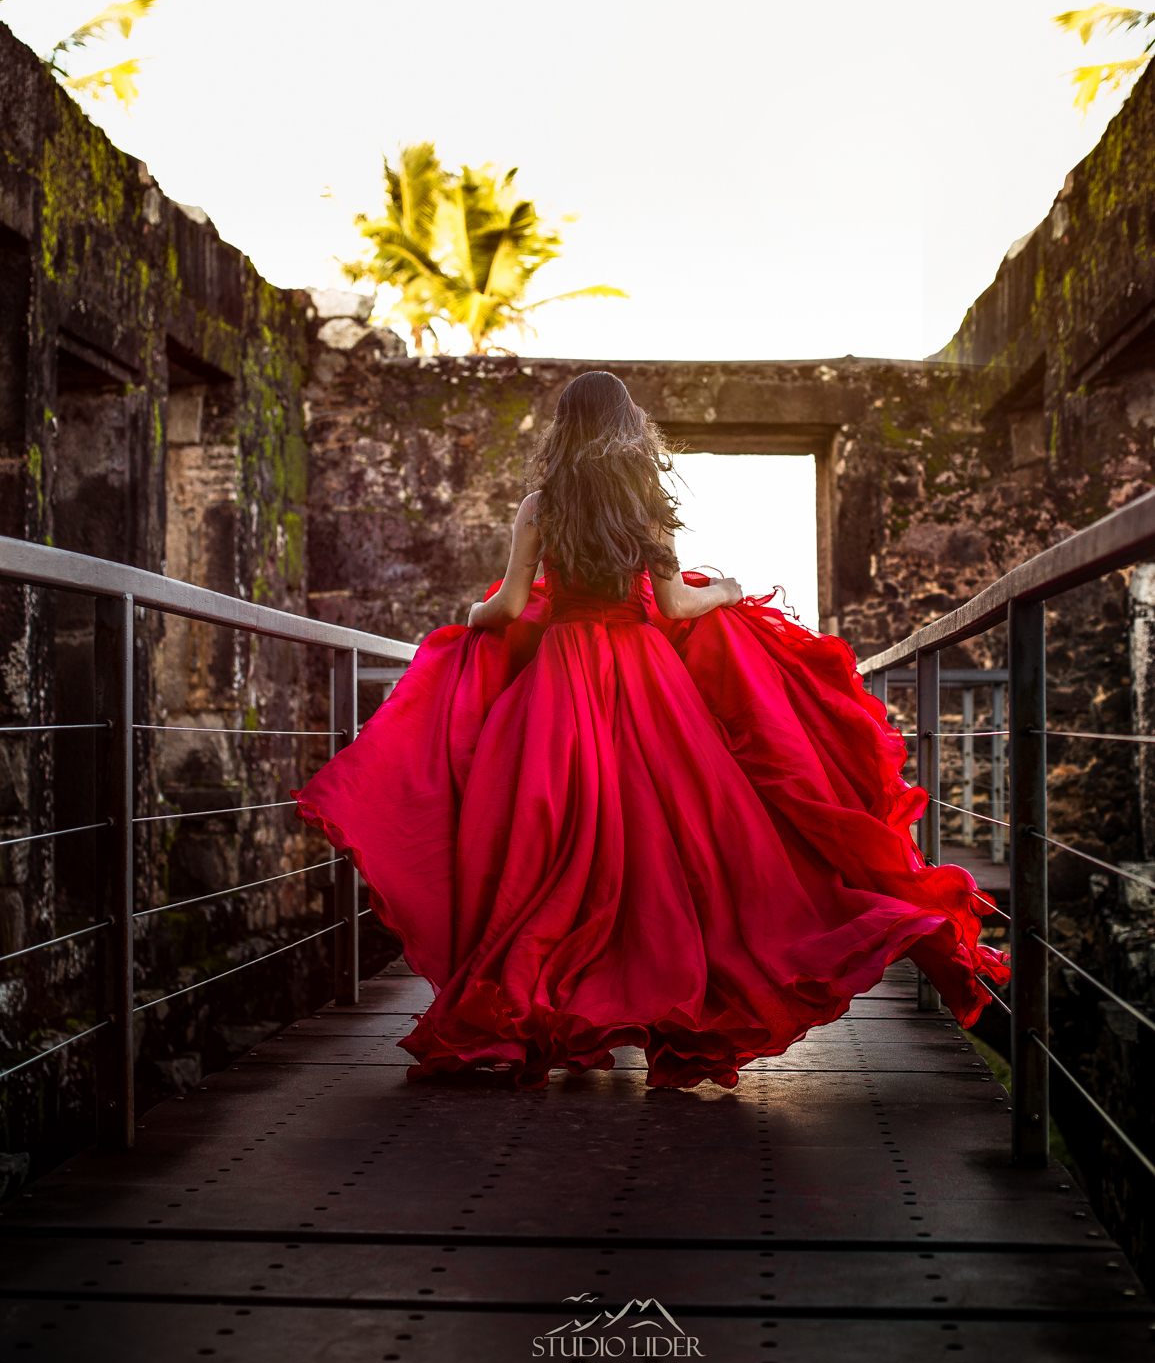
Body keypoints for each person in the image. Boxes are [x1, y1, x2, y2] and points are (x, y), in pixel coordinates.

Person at [295, 370, 1006, 1089]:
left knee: (555, 839)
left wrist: (463, 624)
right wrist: (726, 592)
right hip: (644, 678)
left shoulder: (540, 506)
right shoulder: (646, 506)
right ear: (627, 426)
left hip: (562, 678)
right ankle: (655, 985)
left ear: (563, 429)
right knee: (667, 836)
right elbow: (671, 602)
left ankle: (553, 991)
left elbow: (508, 608)